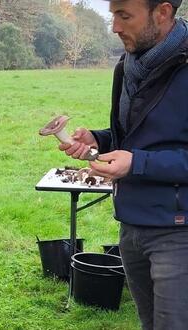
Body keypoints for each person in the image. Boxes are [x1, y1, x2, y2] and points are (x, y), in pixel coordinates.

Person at [59, 0, 188, 328]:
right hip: (131, 226)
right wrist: (99, 140)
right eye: (113, 14)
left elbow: (141, 155)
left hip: (177, 233)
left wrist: (137, 164)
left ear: (162, 12)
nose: (114, 26)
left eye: (124, 16)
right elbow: (135, 137)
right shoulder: (128, 65)